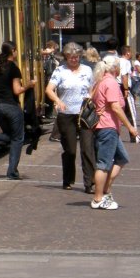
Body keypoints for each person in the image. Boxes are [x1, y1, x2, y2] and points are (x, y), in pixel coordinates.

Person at [0, 40, 36, 180]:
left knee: (10, 134)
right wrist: (30, 85)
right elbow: (17, 90)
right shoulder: (13, 68)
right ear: (13, 51)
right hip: (11, 107)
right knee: (18, 138)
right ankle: (12, 172)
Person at [45, 42, 95, 193]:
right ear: (66, 57)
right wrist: (58, 101)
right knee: (70, 150)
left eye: (77, 57)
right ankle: (68, 179)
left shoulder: (87, 70)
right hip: (66, 115)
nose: (74, 59)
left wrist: (91, 98)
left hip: (84, 114)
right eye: (71, 57)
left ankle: (89, 183)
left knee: (87, 149)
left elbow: (93, 88)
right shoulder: (60, 71)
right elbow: (49, 90)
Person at [90, 55, 139, 210]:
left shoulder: (100, 81)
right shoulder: (110, 82)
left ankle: (105, 190)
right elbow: (116, 107)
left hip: (106, 126)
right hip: (107, 127)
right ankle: (98, 198)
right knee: (103, 163)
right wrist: (130, 127)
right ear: (115, 68)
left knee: (122, 158)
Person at [120, 46, 140, 144]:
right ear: (128, 53)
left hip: (117, 87)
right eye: (131, 52)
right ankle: (135, 136)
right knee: (131, 112)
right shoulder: (125, 62)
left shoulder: (118, 60)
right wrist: (126, 89)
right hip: (124, 87)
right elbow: (124, 75)